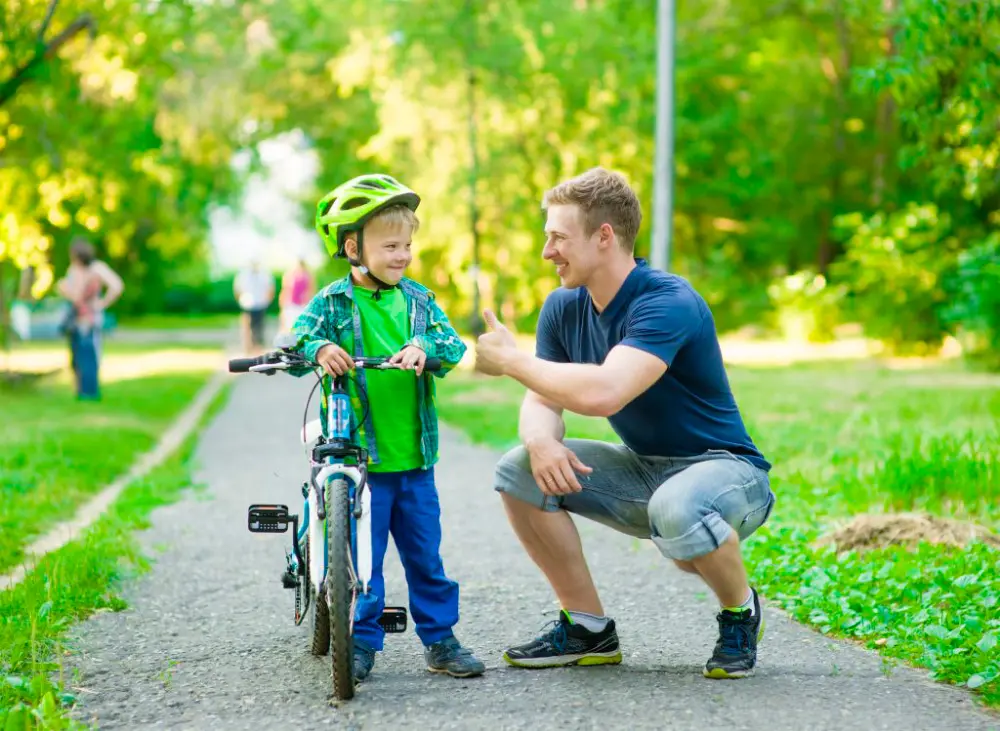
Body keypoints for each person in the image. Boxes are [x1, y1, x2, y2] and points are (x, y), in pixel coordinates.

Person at [473, 167, 775, 679]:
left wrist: (511, 360)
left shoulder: (667, 301)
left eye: (558, 238)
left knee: (678, 510)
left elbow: (605, 391)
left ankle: (740, 612)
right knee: (519, 469)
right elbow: (543, 400)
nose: (548, 252)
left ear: (605, 236)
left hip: (726, 473)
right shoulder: (563, 307)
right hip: (644, 471)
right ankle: (588, 628)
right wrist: (540, 441)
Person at [290, 173, 485, 683]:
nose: (402, 255)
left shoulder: (419, 301)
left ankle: (440, 641)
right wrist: (320, 349)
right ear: (352, 246)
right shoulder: (332, 303)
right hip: (361, 464)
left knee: (426, 559)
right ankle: (360, 644)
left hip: (415, 462)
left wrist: (426, 349)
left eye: (408, 245)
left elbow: (454, 346)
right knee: (363, 566)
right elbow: (297, 341)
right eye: (390, 245)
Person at [56, 238, 124, 400]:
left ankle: (90, 392)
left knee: (89, 354)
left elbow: (117, 286)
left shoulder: (96, 268)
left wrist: (102, 304)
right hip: (76, 318)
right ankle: (80, 390)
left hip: (90, 318)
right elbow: (74, 295)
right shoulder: (74, 269)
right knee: (76, 356)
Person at [233, 259, 274, 352]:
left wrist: (266, 301)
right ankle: (248, 346)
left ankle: (257, 346)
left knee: (259, 326)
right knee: (247, 326)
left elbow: (270, 289)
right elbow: (237, 290)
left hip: (260, 303)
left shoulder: (264, 274)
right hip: (247, 304)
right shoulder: (243, 275)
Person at [278, 258, 315, 333]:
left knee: (301, 327)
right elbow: (285, 290)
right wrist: (282, 305)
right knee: (288, 326)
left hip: (302, 305)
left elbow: (311, 290)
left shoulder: (308, 276)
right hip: (291, 305)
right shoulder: (289, 275)